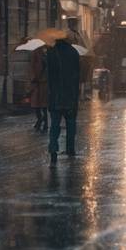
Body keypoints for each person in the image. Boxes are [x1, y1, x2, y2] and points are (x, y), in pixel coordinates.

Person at [46, 37, 80, 165]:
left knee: (54, 125)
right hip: (70, 95)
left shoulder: (51, 53)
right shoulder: (73, 52)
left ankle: (53, 150)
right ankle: (70, 149)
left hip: (55, 96)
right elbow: (77, 77)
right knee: (71, 124)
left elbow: (50, 77)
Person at [30, 46, 48, 132]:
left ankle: (41, 120)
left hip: (39, 83)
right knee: (42, 104)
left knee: (38, 104)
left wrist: (34, 77)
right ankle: (43, 122)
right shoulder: (45, 54)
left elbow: (35, 68)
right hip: (42, 82)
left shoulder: (37, 53)